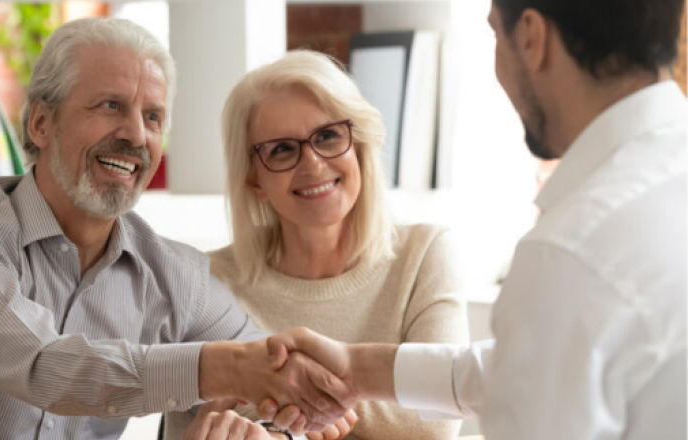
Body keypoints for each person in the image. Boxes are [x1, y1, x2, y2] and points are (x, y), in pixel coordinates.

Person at [0, 18, 355, 440]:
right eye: (111, 105)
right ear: (40, 122)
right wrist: (228, 370)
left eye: (153, 116)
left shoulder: (177, 276)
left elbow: (265, 363)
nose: (136, 135)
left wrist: (268, 423)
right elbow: (46, 366)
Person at [264, 0, 688, 439]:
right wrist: (356, 369)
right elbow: (540, 363)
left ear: (530, 37)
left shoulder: (573, 251)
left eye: (493, 35)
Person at [165, 50, 469, 440]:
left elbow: (439, 418)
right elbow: (191, 431)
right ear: (254, 181)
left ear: (358, 146)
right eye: (282, 149)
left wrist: (274, 391)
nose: (312, 163)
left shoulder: (425, 254)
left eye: (327, 136)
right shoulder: (203, 282)